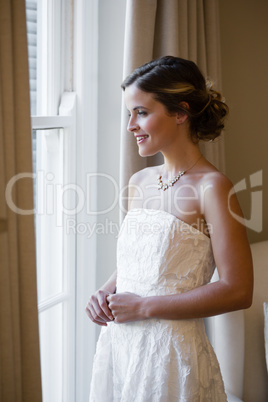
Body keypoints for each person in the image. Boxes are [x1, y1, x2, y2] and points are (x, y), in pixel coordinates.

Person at [85, 56, 253, 401]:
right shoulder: (139, 181)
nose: (130, 125)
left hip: (171, 355)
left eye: (141, 112)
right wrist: (106, 290)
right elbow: (143, 262)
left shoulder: (213, 188)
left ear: (181, 112)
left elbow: (238, 290)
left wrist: (144, 307)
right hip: (120, 344)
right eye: (129, 114)